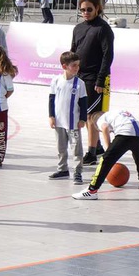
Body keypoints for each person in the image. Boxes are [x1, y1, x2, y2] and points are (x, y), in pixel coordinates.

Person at [71, 0, 113, 166]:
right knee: (83, 114)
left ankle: (91, 152)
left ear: (97, 9)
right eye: (83, 10)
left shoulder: (103, 29)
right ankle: (97, 146)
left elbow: (107, 56)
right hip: (80, 77)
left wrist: (100, 80)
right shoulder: (78, 28)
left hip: (95, 78)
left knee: (92, 116)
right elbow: (73, 52)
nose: (85, 13)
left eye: (89, 9)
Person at [72, 108, 139, 199]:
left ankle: (92, 190)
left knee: (106, 160)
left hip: (126, 133)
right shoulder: (117, 113)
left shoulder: (100, 119)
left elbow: (105, 128)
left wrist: (109, 148)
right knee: (138, 155)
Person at [48, 50, 85, 183]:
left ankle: (78, 172)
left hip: (73, 123)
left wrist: (82, 119)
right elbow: (51, 99)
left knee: (76, 148)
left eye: (78, 65)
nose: (77, 68)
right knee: (61, 147)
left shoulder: (80, 83)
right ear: (64, 66)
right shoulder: (56, 81)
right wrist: (51, 116)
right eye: (74, 65)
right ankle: (63, 169)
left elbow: (83, 102)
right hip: (59, 121)